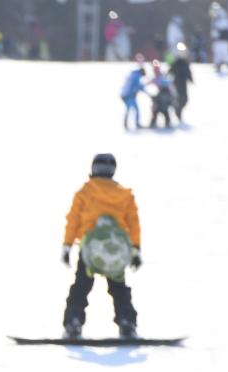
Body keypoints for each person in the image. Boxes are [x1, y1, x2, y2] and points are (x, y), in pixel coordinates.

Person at [61, 154, 142, 339]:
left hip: (90, 250)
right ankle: (127, 323)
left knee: (81, 287)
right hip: (116, 252)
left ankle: (73, 322)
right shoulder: (124, 195)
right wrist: (136, 249)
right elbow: (134, 223)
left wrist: (67, 246)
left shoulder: (85, 192)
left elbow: (73, 220)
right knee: (119, 289)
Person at [168, 44, 193, 121]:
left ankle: (178, 111)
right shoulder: (175, 63)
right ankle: (177, 112)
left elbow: (188, 73)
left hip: (183, 84)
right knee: (177, 99)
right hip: (176, 84)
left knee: (184, 99)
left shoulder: (185, 64)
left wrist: (191, 79)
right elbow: (170, 73)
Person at [148, 61, 175, 129]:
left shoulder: (161, 77)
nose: (154, 72)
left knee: (161, 109)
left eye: (155, 70)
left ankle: (164, 122)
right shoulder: (158, 77)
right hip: (162, 95)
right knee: (160, 109)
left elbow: (168, 85)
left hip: (165, 95)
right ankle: (163, 122)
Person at [120, 63, 146, 131]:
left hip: (125, 94)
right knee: (134, 109)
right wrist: (144, 89)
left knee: (129, 109)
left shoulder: (133, 75)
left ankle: (126, 124)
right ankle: (136, 124)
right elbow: (137, 86)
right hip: (128, 95)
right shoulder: (136, 76)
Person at [210, 2, 228, 73]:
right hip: (219, 41)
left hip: (224, 41)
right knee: (218, 54)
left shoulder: (222, 20)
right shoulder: (216, 20)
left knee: (225, 54)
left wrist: (216, 34)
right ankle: (218, 66)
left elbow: (221, 31)